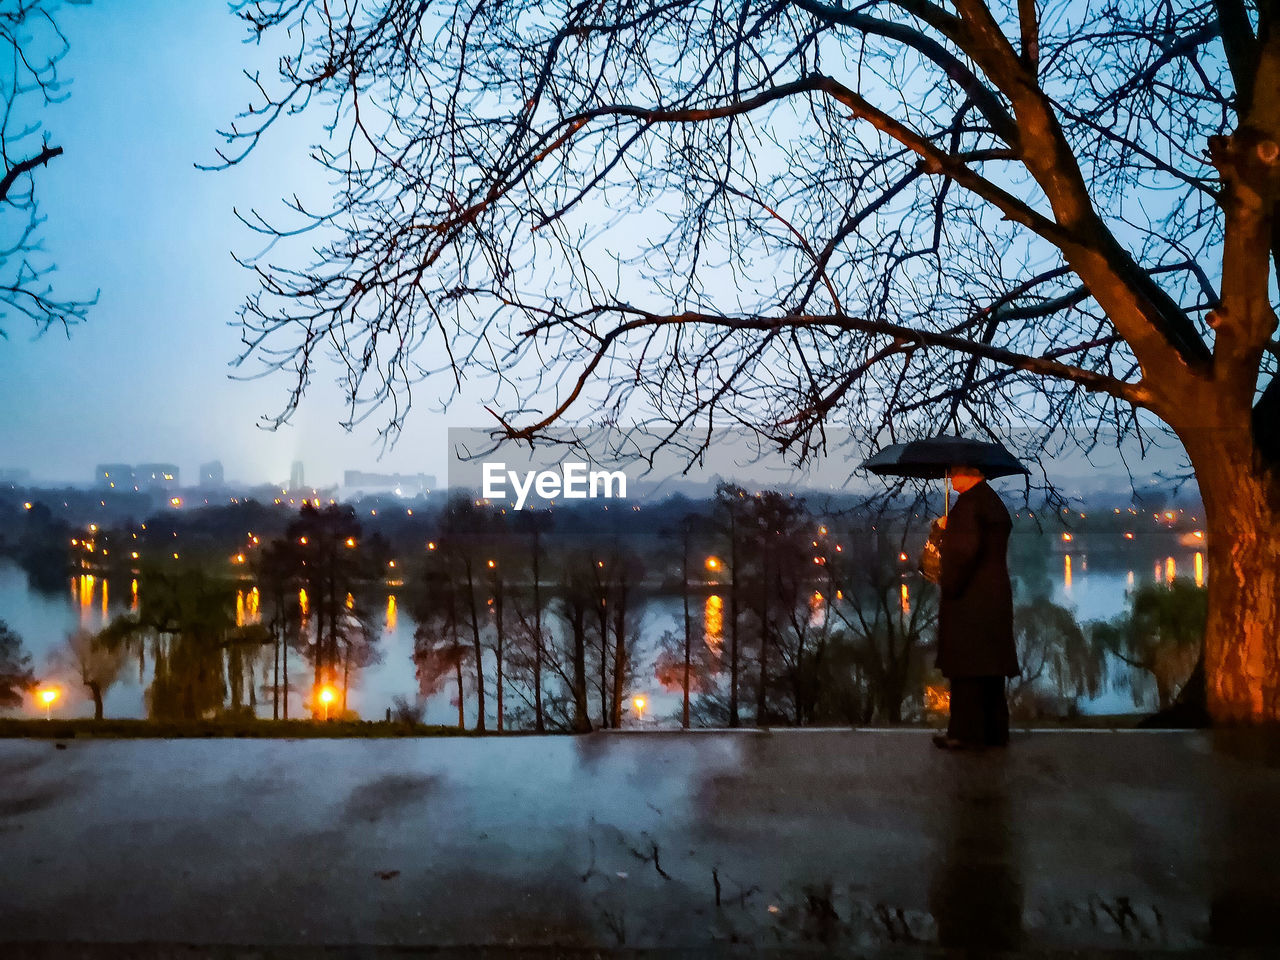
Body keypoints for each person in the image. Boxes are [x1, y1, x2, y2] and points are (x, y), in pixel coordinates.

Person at [933, 464, 1018, 749]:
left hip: (970, 599)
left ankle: (965, 733)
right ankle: (994, 731)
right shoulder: (991, 502)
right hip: (993, 597)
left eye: (954, 472)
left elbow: (962, 554)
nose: (950, 477)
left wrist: (948, 582)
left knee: (967, 669)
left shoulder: (968, 506)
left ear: (971, 473)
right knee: (989, 671)